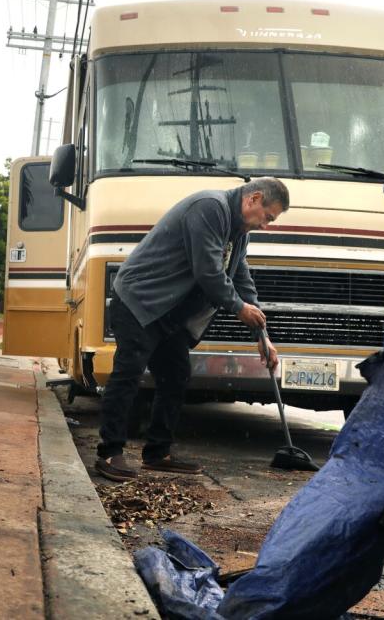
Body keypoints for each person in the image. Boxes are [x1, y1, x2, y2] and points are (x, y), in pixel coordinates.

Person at [94, 177, 289, 482]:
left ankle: (158, 453)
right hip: (140, 298)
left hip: (168, 311)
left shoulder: (239, 232)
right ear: (254, 199)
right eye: (268, 217)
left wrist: (263, 337)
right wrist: (239, 309)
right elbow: (209, 273)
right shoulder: (210, 208)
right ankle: (109, 451)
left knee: (175, 374)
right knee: (129, 371)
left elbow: (240, 278)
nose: (266, 224)